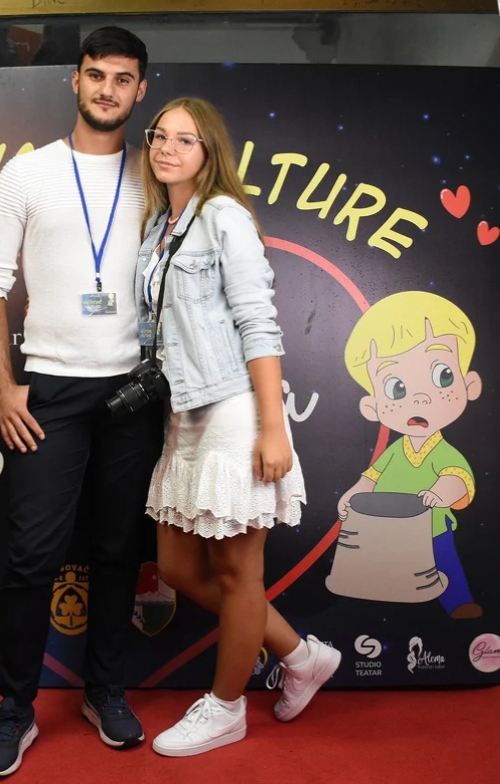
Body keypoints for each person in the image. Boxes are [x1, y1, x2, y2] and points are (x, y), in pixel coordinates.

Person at [0, 26, 160, 779]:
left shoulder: (156, 173)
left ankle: (103, 691)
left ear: (140, 89)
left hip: (132, 390)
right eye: (96, 75)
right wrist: (2, 386)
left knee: (118, 551)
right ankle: (14, 709)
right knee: (32, 556)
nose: (108, 89)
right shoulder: (27, 174)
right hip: (47, 388)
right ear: (74, 81)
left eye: (122, 78)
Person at [134, 97, 341, 758]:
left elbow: (258, 321)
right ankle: (301, 656)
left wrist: (271, 428)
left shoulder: (224, 216)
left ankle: (226, 709)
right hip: (182, 411)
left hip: (232, 408)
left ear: (209, 152)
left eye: (185, 140)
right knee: (176, 565)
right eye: (159, 136)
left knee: (236, 570)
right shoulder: (157, 226)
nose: (167, 148)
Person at [337, 291, 483, 619]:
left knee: (444, 562)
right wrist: (353, 496)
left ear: (469, 384)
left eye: (442, 376)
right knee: (390, 571)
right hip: (387, 528)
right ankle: (392, 611)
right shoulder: (394, 451)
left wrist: (440, 493)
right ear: (372, 406)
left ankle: (458, 603)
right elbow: (370, 478)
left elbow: (457, 479)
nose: (419, 399)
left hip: (431, 527)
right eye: (396, 389)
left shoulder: (444, 452)